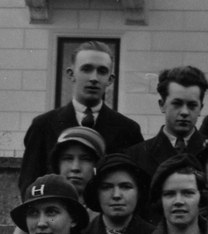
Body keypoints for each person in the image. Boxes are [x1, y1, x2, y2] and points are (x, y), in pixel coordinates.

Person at [19, 41, 143, 192]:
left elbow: (135, 185)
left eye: (102, 71)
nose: (94, 78)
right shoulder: (43, 125)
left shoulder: (128, 129)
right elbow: (29, 184)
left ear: (110, 80)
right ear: (71, 74)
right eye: (86, 69)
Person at [125, 65, 208, 175]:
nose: (184, 112)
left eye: (192, 105)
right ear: (162, 105)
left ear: (200, 108)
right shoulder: (136, 155)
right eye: (177, 104)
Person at [81, 153, 154, 234]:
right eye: (106, 187)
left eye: (125, 187)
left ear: (139, 193)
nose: (116, 195)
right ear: (96, 193)